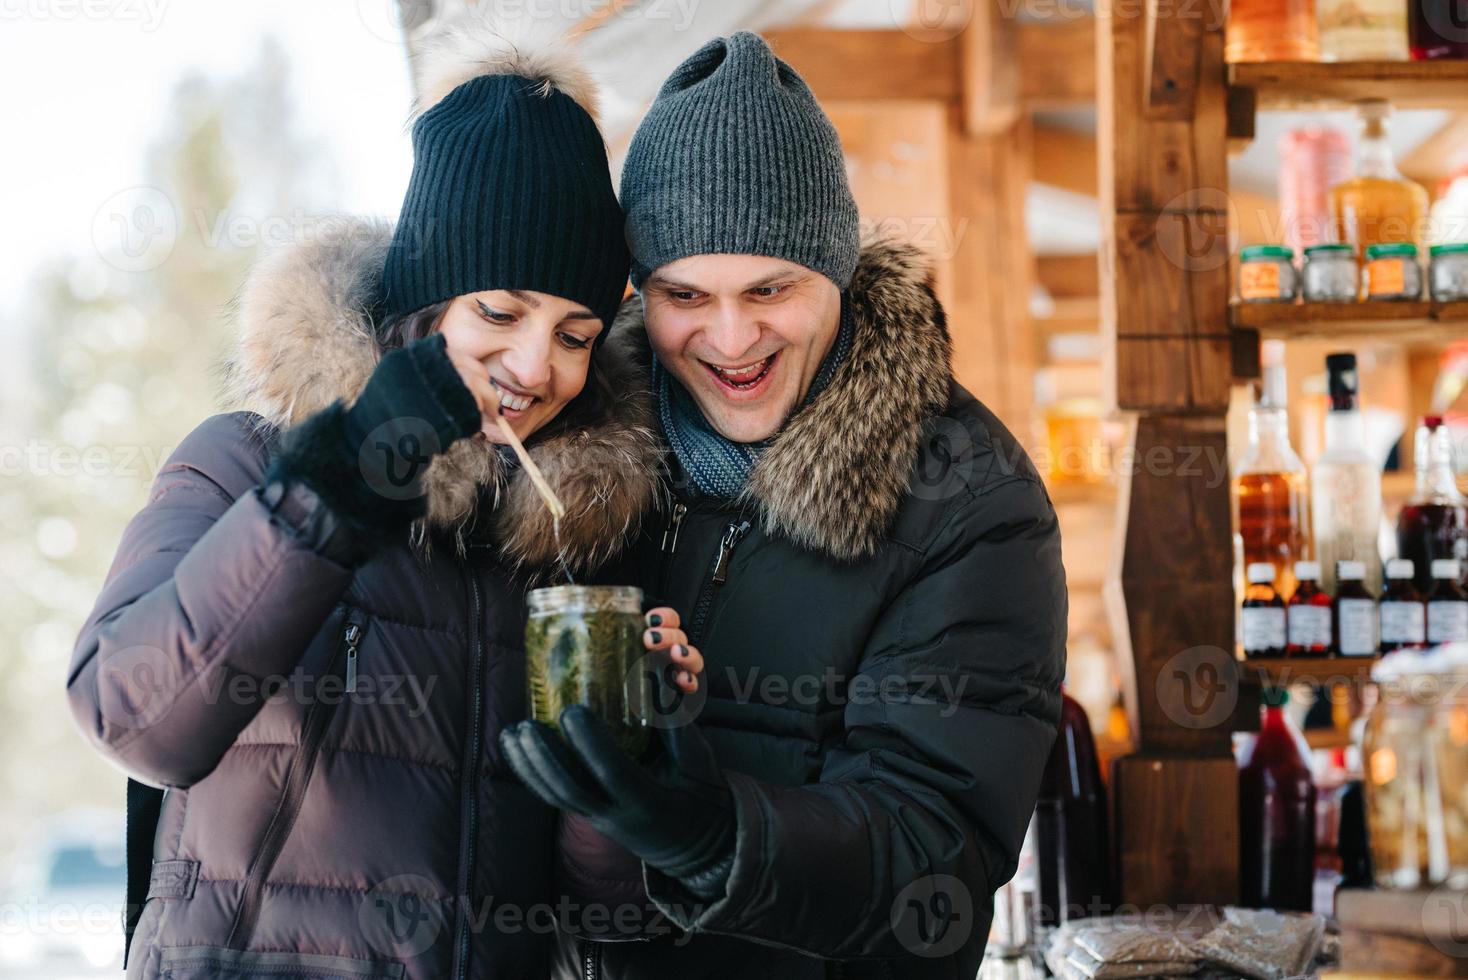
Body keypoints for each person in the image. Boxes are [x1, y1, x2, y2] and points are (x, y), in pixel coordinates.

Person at [66, 20, 701, 980]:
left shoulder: (570, 544)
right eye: (497, 312)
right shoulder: (244, 460)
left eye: (575, 333)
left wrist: (621, 760)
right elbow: (134, 719)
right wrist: (342, 483)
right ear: (423, 303)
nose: (537, 366)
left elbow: (606, 923)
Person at [500, 31, 1069, 980]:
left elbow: (942, 865)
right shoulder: (570, 452)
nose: (731, 339)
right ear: (642, 291)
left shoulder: (969, 500)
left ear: (836, 269)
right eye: (685, 293)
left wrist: (714, 837)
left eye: (771, 288)